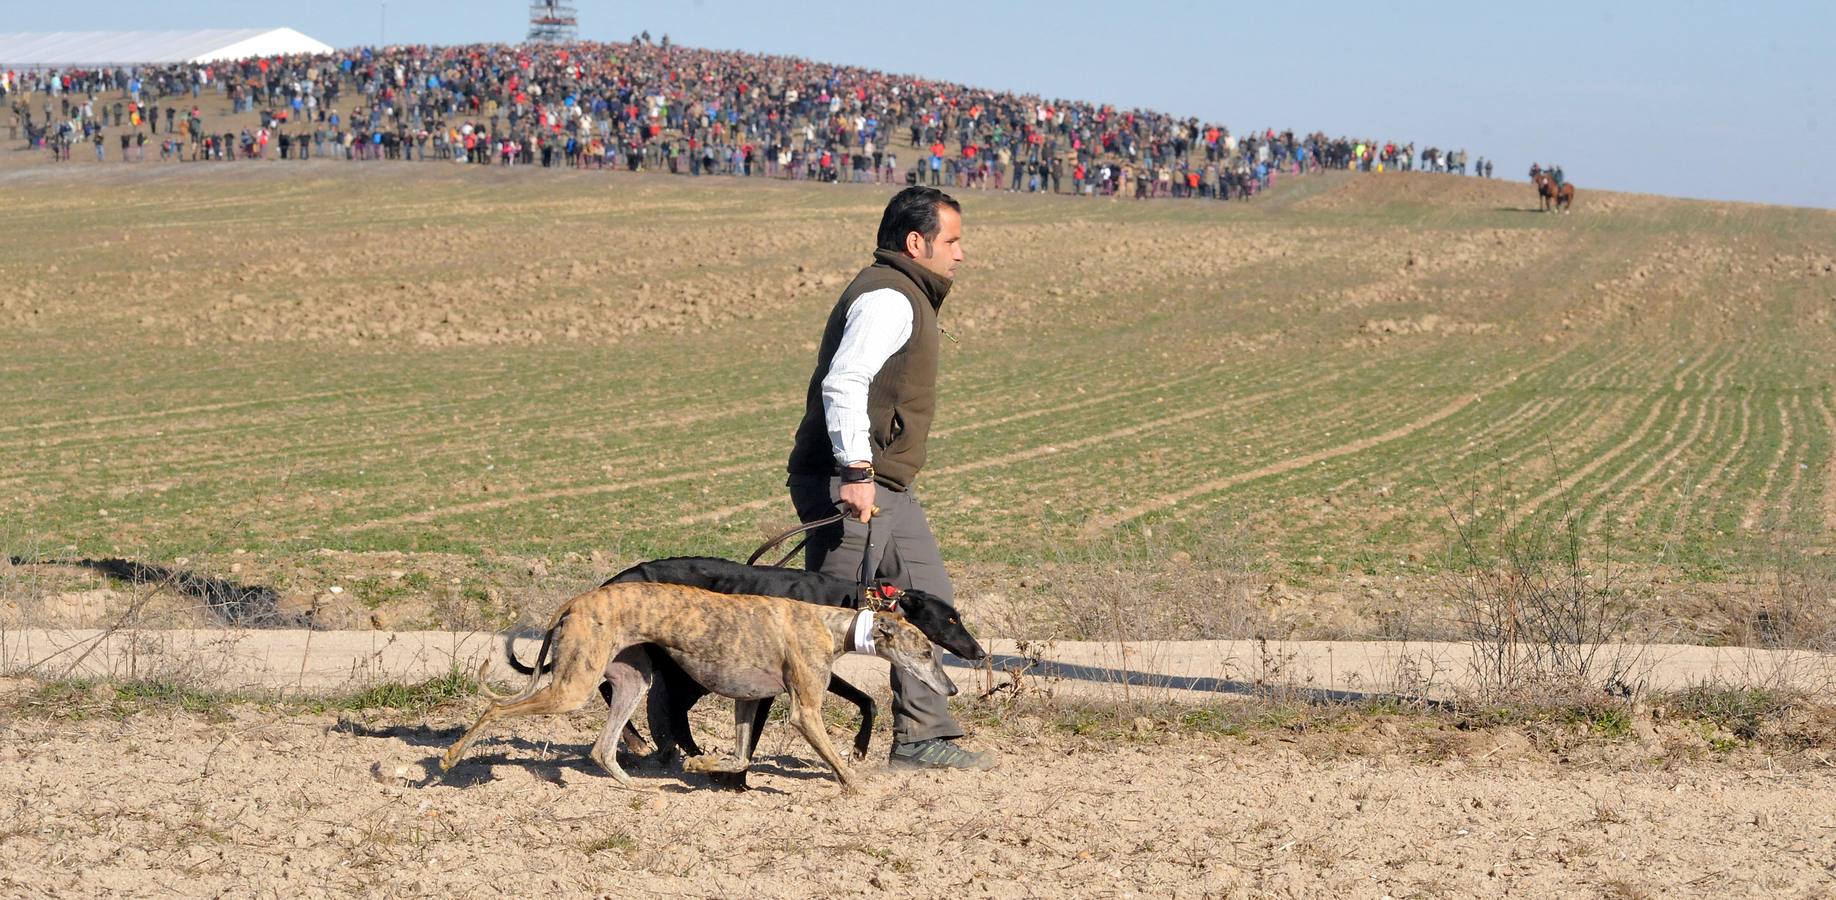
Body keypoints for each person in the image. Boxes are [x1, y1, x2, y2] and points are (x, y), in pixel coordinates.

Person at [785, 186, 997, 772]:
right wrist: (855, 470)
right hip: (854, 482)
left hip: (889, 486)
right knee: (813, 620)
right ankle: (702, 715)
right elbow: (845, 382)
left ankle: (921, 737)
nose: (960, 254)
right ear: (915, 242)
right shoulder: (889, 299)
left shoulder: (908, 294)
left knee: (929, 604)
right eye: (951, 241)